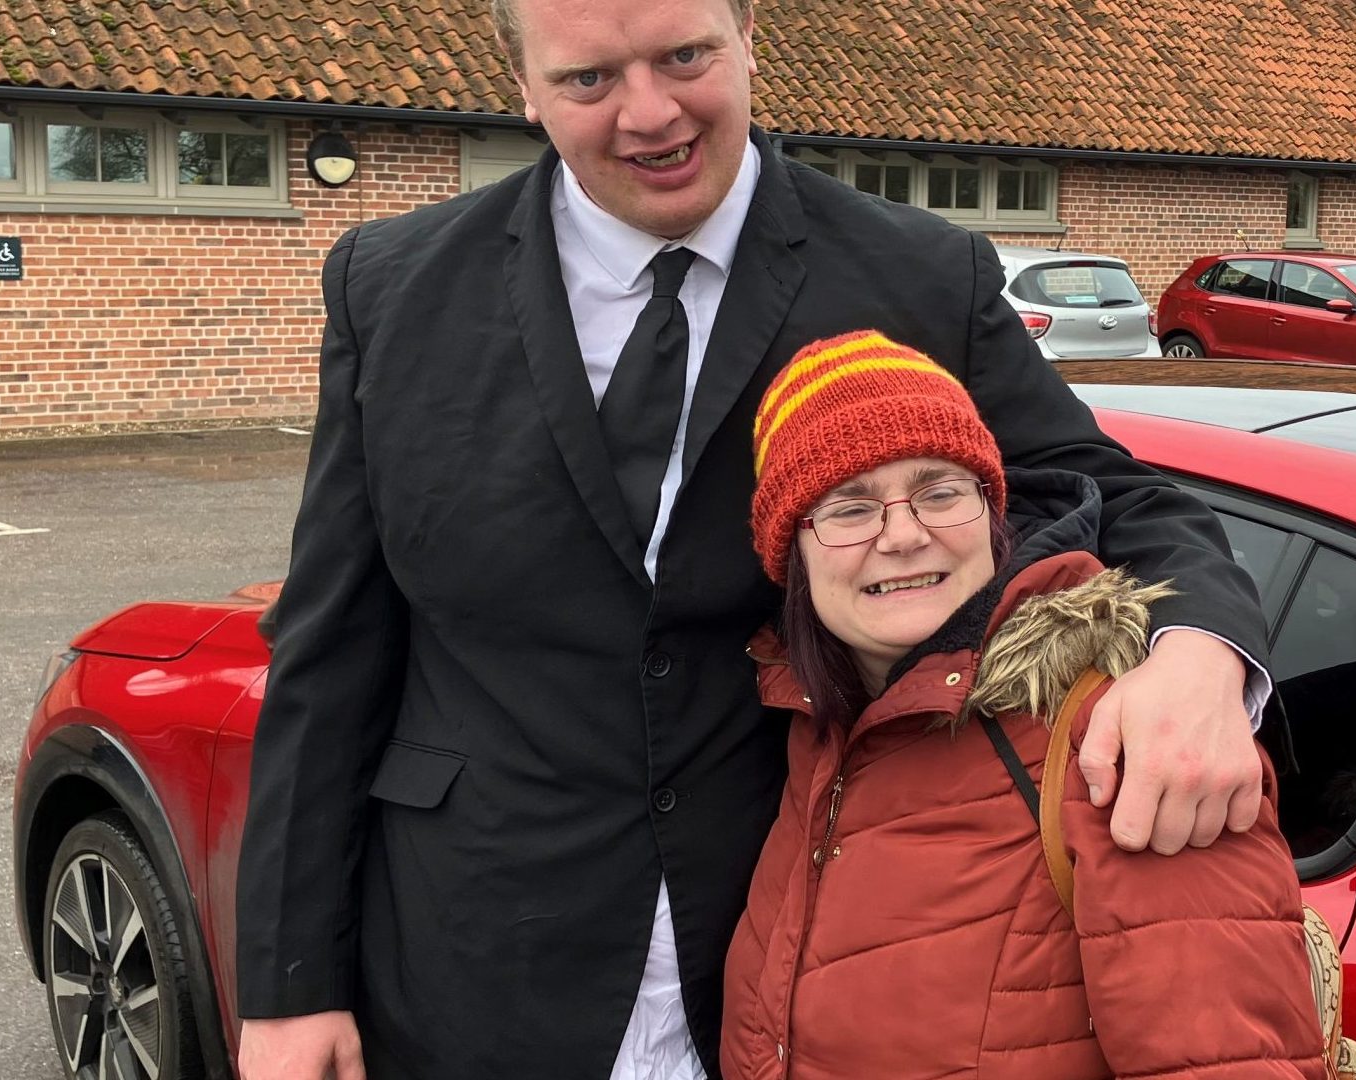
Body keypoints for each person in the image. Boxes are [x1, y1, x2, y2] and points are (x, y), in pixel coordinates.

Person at [234, 0, 1275, 1076]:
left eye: (685, 56)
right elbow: (332, 650)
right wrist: (288, 987)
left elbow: (1128, 501)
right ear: (526, 89)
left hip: (783, 956)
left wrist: (1200, 658)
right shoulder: (391, 289)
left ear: (749, 46)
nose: (650, 113)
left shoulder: (920, 276)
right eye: (589, 80)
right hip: (467, 963)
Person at [723, 331, 1324, 1079]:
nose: (905, 535)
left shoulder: (1122, 746)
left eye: (940, 492)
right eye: (850, 508)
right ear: (792, 550)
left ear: (990, 510)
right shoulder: (814, 733)